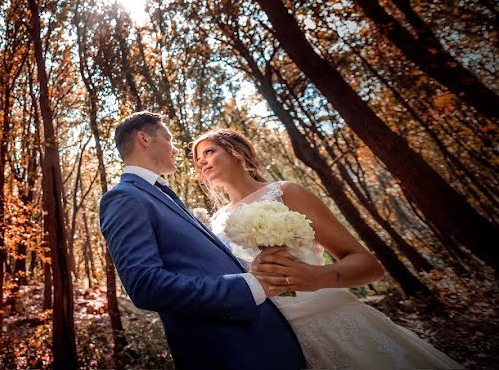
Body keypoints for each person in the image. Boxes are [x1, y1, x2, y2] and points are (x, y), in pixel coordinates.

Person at [192, 128, 463, 369]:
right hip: (278, 341)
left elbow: (368, 265)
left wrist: (319, 276)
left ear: (237, 152)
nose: (201, 161)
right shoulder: (216, 221)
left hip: (336, 325)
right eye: (197, 159)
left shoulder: (285, 192)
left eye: (208, 151)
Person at [99, 112, 306, 370]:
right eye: (168, 138)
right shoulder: (124, 198)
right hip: (227, 352)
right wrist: (247, 287)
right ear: (143, 138)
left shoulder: (160, 194)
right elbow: (146, 285)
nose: (175, 149)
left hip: (264, 341)